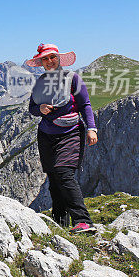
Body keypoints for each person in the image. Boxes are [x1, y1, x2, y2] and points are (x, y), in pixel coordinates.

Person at [26, 43, 98, 233]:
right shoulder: (40, 82)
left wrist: (92, 128)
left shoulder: (73, 79)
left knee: (64, 174)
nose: (49, 62)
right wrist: (39, 109)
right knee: (53, 178)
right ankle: (60, 222)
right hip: (46, 135)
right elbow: (32, 108)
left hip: (71, 133)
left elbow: (86, 105)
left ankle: (83, 221)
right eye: (45, 59)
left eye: (52, 57)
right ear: (41, 62)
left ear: (59, 59)